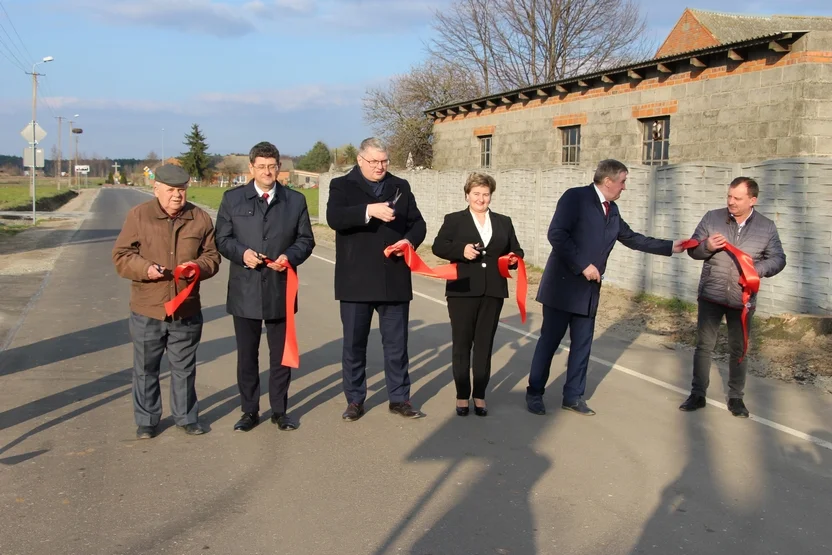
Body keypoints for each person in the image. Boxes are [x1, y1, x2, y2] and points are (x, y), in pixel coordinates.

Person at [526, 159, 685, 416]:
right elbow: (557, 234)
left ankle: (573, 396)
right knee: (550, 342)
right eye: (622, 182)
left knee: (582, 345)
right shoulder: (575, 198)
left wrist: (671, 246)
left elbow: (632, 238)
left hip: (589, 291)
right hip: (563, 288)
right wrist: (583, 265)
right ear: (608, 181)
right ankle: (535, 392)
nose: (624, 187)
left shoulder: (612, 210)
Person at [112, 164, 221, 439]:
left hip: (186, 308)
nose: (177, 196)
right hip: (148, 308)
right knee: (146, 368)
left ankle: (186, 417)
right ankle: (147, 420)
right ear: (156, 188)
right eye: (171, 190)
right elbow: (122, 255)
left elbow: (212, 256)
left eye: (182, 190)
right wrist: (145, 269)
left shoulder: (200, 218)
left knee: (184, 367)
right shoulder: (138, 216)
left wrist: (198, 267)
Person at [215, 141, 315, 432]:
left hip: (279, 287)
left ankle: (280, 410)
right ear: (251, 168)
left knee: (280, 357)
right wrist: (242, 253)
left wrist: (289, 256)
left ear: (279, 168)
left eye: (272, 166)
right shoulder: (232, 199)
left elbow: (306, 240)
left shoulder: (294, 201)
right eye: (262, 167)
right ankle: (249, 411)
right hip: (245, 289)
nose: (268, 171)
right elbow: (222, 239)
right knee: (247, 356)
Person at [326, 137, 427, 421]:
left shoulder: (400, 186)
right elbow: (335, 217)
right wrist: (369, 211)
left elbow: (418, 223)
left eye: (384, 161)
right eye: (374, 162)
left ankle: (399, 398)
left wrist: (408, 241)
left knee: (396, 345)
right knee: (354, 344)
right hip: (355, 279)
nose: (380, 166)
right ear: (360, 160)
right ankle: (355, 399)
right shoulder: (342, 186)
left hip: (393, 278)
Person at [680, 177, 786, 417]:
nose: (731, 202)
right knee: (704, 346)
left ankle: (736, 398)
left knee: (739, 349)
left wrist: (755, 271)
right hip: (711, 295)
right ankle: (697, 394)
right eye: (729, 196)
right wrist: (706, 246)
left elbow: (779, 258)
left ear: (752, 200)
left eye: (737, 198)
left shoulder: (767, 227)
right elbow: (693, 250)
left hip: (743, 300)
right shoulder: (712, 218)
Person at [432, 172, 524, 417]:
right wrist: (461, 250)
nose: (481, 199)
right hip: (462, 290)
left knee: (484, 344)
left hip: (493, 291)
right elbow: (438, 246)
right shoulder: (454, 220)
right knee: (462, 344)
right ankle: (462, 395)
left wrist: (513, 259)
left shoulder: (504, 221)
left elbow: (516, 250)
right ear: (467, 195)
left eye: (485, 194)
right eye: (476, 194)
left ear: (491, 196)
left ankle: (480, 395)